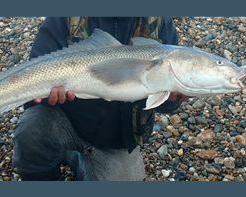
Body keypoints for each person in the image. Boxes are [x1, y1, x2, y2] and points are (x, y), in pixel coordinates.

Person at [12, 17, 188, 181]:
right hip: (66, 122)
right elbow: (34, 73)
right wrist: (46, 97)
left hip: (114, 141)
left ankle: (77, 157)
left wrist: (173, 98)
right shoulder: (64, 16)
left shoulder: (159, 21)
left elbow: (164, 106)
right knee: (31, 132)